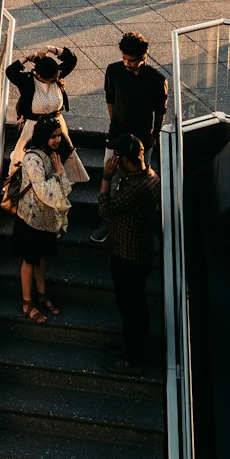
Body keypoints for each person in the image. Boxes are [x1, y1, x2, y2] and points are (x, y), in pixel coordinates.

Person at [91, 32, 167, 244]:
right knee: (111, 175)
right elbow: (110, 98)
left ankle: (139, 223)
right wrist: (114, 122)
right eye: (124, 58)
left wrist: (154, 135)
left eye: (131, 60)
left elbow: (160, 111)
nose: (126, 63)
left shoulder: (157, 80)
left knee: (139, 179)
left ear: (144, 57)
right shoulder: (114, 70)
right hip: (117, 135)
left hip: (143, 139)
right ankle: (105, 222)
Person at [98, 133, 161, 375]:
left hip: (128, 258)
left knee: (131, 309)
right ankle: (130, 349)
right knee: (132, 307)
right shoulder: (149, 177)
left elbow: (105, 209)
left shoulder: (137, 187)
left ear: (125, 159)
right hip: (138, 252)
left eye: (116, 156)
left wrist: (106, 177)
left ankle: (132, 360)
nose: (113, 160)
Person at [12, 117, 72, 324]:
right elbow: (44, 191)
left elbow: (64, 188)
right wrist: (58, 174)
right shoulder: (32, 159)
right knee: (29, 260)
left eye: (58, 135)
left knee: (41, 258)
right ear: (43, 136)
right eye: (52, 136)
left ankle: (42, 294)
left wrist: (58, 174)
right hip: (29, 219)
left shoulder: (51, 154)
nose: (57, 140)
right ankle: (27, 303)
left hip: (45, 219)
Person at [6, 48, 88, 183]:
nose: (55, 81)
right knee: (31, 160)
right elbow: (10, 71)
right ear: (39, 76)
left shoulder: (56, 75)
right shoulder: (27, 81)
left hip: (56, 124)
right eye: (51, 80)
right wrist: (27, 57)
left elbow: (72, 59)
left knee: (60, 156)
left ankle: (59, 182)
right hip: (34, 127)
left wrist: (52, 49)